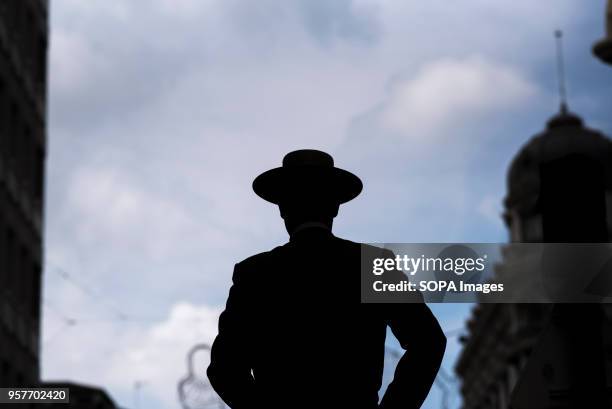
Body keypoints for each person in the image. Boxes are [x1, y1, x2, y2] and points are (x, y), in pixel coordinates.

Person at [207, 149, 446, 409]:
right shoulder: (373, 265)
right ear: (335, 208)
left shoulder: (255, 273)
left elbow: (225, 369)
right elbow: (429, 342)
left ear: (283, 209)